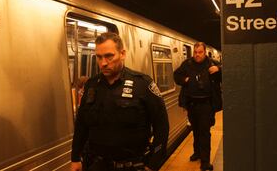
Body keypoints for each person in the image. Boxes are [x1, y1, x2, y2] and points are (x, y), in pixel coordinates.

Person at [70, 32, 169, 171]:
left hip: (132, 166)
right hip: (97, 165)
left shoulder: (142, 84)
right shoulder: (92, 86)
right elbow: (81, 125)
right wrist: (75, 158)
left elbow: (162, 126)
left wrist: (153, 164)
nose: (103, 63)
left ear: (122, 54)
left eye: (109, 56)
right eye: (99, 57)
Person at [173, 42, 221, 171]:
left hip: (206, 105)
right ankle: (197, 153)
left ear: (205, 52)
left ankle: (205, 162)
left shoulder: (212, 63)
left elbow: (227, 73)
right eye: (195, 52)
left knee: (205, 133)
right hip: (192, 104)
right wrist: (184, 80)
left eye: (200, 52)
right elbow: (176, 75)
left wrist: (219, 69)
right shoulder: (187, 64)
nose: (197, 55)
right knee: (195, 130)